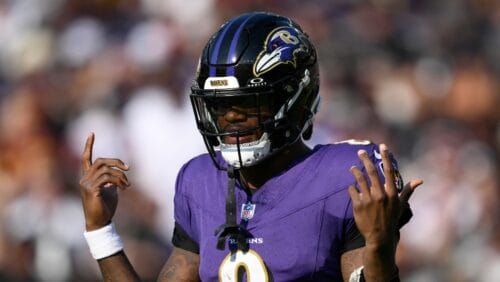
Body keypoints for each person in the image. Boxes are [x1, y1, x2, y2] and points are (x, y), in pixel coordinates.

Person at [79, 11, 423, 281]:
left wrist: (379, 248)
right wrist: (101, 231)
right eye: (219, 105)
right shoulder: (199, 180)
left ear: (294, 99)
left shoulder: (347, 174)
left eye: (246, 104)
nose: (229, 118)